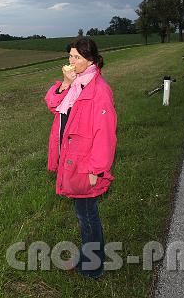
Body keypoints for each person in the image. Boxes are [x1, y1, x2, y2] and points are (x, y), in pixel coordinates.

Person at [44, 36, 117, 279]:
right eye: (70, 56)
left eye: (77, 57)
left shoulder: (99, 91)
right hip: (72, 159)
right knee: (84, 214)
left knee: (88, 215)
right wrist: (65, 82)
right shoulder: (77, 85)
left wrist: (96, 170)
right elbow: (53, 105)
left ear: (91, 60)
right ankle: (89, 259)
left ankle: (93, 267)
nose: (71, 61)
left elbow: (105, 134)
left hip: (85, 164)